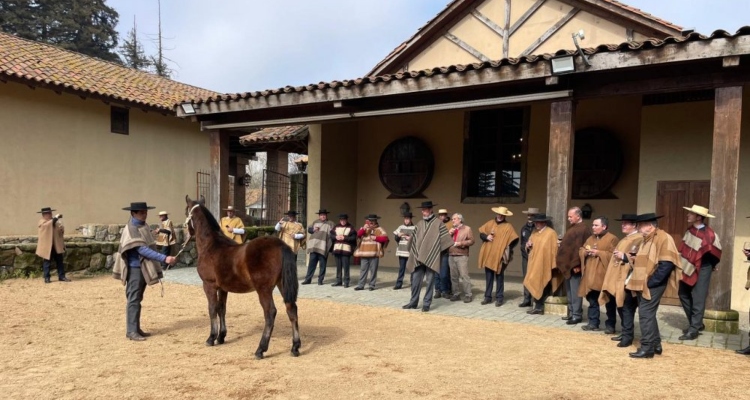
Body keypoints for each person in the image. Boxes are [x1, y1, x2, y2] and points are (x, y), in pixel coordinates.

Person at [112, 202, 177, 341]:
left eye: (145, 212)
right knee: (133, 299)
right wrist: (164, 258)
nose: (144, 214)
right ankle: (131, 331)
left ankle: (136, 328)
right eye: (141, 212)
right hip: (135, 268)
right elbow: (142, 249)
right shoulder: (132, 228)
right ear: (133, 213)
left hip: (141, 268)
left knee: (137, 298)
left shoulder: (144, 226)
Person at [625, 213, 681, 358]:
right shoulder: (646, 239)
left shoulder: (663, 238)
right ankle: (655, 344)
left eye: (640, 225)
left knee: (645, 314)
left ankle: (647, 347)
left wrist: (651, 282)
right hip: (643, 282)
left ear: (650, 226)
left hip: (653, 283)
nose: (638, 228)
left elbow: (667, 263)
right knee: (648, 313)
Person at [677, 205, 721, 341]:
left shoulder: (709, 233)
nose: (688, 215)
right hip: (687, 266)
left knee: (698, 297)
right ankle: (696, 324)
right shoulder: (689, 230)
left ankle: (693, 329)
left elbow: (716, 251)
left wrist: (712, 265)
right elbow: (685, 247)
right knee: (682, 293)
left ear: (699, 217)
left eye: (691, 214)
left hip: (703, 267)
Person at [601, 214, 643, 348]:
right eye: (623, 223)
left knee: (626, 308)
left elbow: (638, 257)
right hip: (619, 276)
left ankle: (627, 336)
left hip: (628, 278)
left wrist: (624, 256)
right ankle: (625, 332)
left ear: (634, 225)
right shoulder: (627, 238)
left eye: (626, 223)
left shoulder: (638, 239)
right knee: (621, 306)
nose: (623, 225)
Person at [403, 201, 453, 312]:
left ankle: (426, 304)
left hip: (432, 257)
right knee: (416, 281)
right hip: (418, 257)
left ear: (431, 210)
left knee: (430, 282)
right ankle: (413, 302)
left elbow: (446, 240)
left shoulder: (438, 223)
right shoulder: (420, 223)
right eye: (422, 210)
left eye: (425, 210)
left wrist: (436, 252)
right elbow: (414, 239)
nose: (423, 211)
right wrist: (413, 251)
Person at [578, 217, 618, 332]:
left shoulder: (612, 238)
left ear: (604, 227)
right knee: (592, 300)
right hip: (590, 275)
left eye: (596, 225)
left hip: (604, 276)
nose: (593, 227)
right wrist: (585, 252)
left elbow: (614, 256)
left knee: (609, 302)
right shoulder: (590, 238)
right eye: (593, 225)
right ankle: (593, 323)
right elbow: (581, 249)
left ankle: (610, 325)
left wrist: (599, 253)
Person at [557, 207, 592, 325]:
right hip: (568, 265)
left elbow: (582, 247)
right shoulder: (573, 228)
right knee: (569, 291)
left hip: (575, 265)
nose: (568, 219)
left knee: (576, 291)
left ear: (578, 216)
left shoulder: (583, 229)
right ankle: (571, 313)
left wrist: (578, 264)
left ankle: (577, 315)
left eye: (570, 216)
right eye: (568, 216)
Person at [477, 206, 519, 306]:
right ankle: (487, 297)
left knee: (499, 276)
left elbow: (515, 239)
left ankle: (500, 298)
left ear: (505, 216)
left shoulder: (508, 226)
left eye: (502, 215)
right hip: (489, 254)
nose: (500, 216)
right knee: (489, 277)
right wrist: (486, 237)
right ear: (496, 214)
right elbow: (481, 233)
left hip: (500, 256)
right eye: (499, 214)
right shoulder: (490, 223)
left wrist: (507, 247)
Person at [523, 214, 562, 315]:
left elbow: (553, 249)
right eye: (535, 222)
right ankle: (537, 305)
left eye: (538, 222)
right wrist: (528, 245)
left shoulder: (551, 233)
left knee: (542, 282)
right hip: (534, 262)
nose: (536, 224)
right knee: (533, 280)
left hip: (545, 263)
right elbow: (529, 243)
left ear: (544, 222)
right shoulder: (534, 232)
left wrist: (552, 263)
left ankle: (539, 306)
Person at [353, 214, 389, 291]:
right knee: (363, 270)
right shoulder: (364, 228)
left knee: (373, 270)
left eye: (373, 220)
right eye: (370, 220)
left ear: (376, 221)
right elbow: (358, 235)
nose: (371, 222)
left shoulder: (379, 229)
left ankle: (372, 285)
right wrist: (363, 228)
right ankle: (361, 285)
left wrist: (376, 238)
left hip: (374, 253)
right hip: (364, 253)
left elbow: (385, 239)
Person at [36, 206, 69, 283]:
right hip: (47, 247)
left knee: (60, 262)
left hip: (56, 245)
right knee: (47, 262)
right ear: (44, 214)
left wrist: (61, 227)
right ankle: (47, 278)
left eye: (50, 213)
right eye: (48, 213)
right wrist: (54, 220)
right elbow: (46, 226)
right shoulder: (42, 222)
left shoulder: (54, 222)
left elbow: (59, 232)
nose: (50, 214)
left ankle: (62, 276)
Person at [447, 213, 475, 303]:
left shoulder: (467, 229)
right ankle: (456, 293)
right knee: (453, 276)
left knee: (464, 275)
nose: (453, 221)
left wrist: (461, 243)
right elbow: (445, 241)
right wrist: (449, 234)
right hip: (451, 254)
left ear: (460, 220)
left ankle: (468, 294)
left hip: (461, 255)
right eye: (452, 219)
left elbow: (471, 241)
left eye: (454, 219)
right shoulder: (452, 229)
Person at [303, 209, 336, 285]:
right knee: (311, 264)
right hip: (314, 246)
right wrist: (313, 229)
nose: (323, 216)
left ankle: (320, 280)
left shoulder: (331, 223)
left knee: (322, 265)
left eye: (324, 215)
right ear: (319, 216)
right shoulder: (315, 222)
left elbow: (334, 234)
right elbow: (309, 230)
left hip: (323, 246)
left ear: (326, 215)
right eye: (321, 215)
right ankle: (308, 279)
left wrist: (332, 232)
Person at [518, 207, 540, 307]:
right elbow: (522, 242)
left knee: (535, 277)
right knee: (526, 277)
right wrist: (524, 249)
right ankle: (527, 299)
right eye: (528, 215)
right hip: (525, 257)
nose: (530, 217)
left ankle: (536, 299)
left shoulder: (538, 229)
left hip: (536, 257)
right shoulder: (524, 228)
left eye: (532, 215)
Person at [331, 213, 357, 287]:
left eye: (344, 220)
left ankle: (346, 281)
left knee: (346, 266)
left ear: (346, 220)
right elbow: (331, 235)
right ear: (340, 220)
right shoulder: (336, 226)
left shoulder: (350, 227)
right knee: (338, 266)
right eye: (341, 220)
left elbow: (353, 238)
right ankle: (338, 281)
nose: (342, 221)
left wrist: (345, 238)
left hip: (346, 250)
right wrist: (336, 237)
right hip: (337, 249)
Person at [392, 212, 416, 290]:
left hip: (410, 251)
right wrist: (398, 236)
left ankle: (413, 283)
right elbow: (396, 239)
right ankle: (399, 284)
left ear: (410, 219)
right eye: (405, 219)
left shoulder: (414, 228)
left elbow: (417, 239)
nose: (406, 220)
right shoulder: (400, 227)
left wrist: (410, 238)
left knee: (412, 268)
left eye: (408, 219)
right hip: (402, 251)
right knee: (401, 268)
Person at [435, 208, 453, 299]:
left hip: (445, 250)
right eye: (440, 215)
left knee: (444, 273)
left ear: (446, 215)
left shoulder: (451, 224)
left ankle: (446, 290)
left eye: (443, 215)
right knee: (436, 272)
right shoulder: (436, 224)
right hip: (436, 251)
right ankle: (438, 290)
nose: (442, 217)